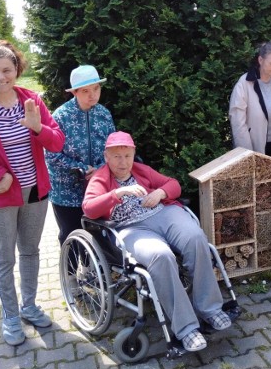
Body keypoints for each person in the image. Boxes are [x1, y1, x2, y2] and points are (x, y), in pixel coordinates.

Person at [82, 131, 231, 352]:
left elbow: (174, 185)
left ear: (133, 155)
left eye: (127, 156)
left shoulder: (141, 170)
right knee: (161, 255)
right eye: (117, 156)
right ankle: (186, 328)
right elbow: (89, 208)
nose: (123, 162)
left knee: (195, 238)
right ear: (106, 157)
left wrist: (160, 193)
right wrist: (118, 193)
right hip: (130, 228)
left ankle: (210, 308)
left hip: (162, 214)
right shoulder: (100, 178)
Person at [0, 40, 65, 346]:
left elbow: (56, 142)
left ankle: (29, 306)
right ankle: (9, 315)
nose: (1, 77)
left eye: (7, 70)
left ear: (17, 70)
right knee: (4, 259)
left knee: (30, 251)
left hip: (35, 193)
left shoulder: (32, 101)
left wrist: (38, 128)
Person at [45, 65, 115, 248]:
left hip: (98, 188)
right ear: (75, 92)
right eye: (85, 90)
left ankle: (94, 274)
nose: (92, 94)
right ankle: (70, 275)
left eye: (96, 88)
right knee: (71, 235)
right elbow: (51, 155)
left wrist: (100, 170)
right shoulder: (61, 116)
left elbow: (112, 149)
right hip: (66, 190)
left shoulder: (104, 114)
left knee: (98, 235)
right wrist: (83, 169)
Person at [229, 41, 271, 160]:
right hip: (255, 150)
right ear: (261, 60)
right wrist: (247, 155)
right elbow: (238, 122)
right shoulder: (244, 84)